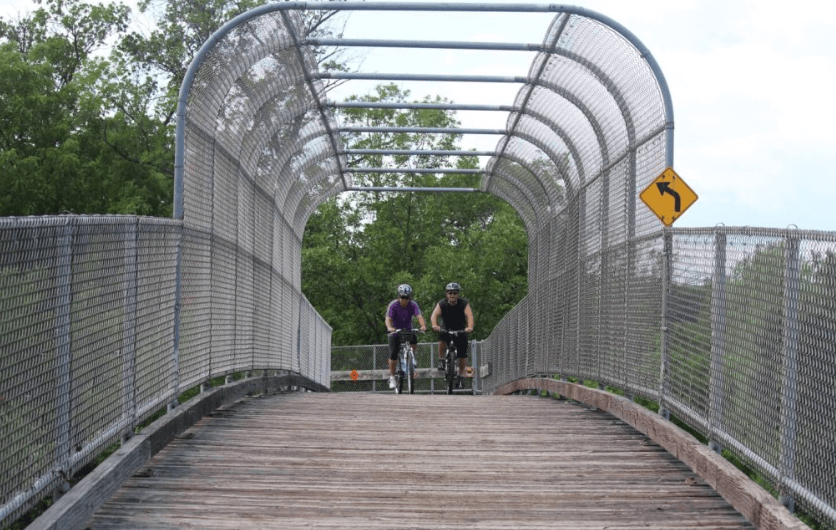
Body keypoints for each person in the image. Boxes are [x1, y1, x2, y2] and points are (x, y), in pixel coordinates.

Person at [430, 282, 474, 388]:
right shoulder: (442, 303)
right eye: (450, 293)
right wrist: (435, 325)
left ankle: (461, 374)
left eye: (455, 293)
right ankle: (441, 360)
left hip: (460, 329)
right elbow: (434, 315)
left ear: (458, 294)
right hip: (446, 329)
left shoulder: (464, 303)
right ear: (446, 294)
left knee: (463, 354)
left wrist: (470, 327)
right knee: (441, 338)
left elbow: (469, 315)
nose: (452, 295)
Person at [385, 283, 427, 389]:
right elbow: (388, 319)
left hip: (408, 330)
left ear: (410, 297)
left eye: (407, 298)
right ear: (398, 297)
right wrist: (390, 328)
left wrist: (422, 326)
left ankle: (411, 357)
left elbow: (419, 316)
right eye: (402, 297)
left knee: (414, 338)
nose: (404, 300)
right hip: (395, 331)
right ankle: (392, 377)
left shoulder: (413, 305)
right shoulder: (393, 305)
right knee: (393, 354)